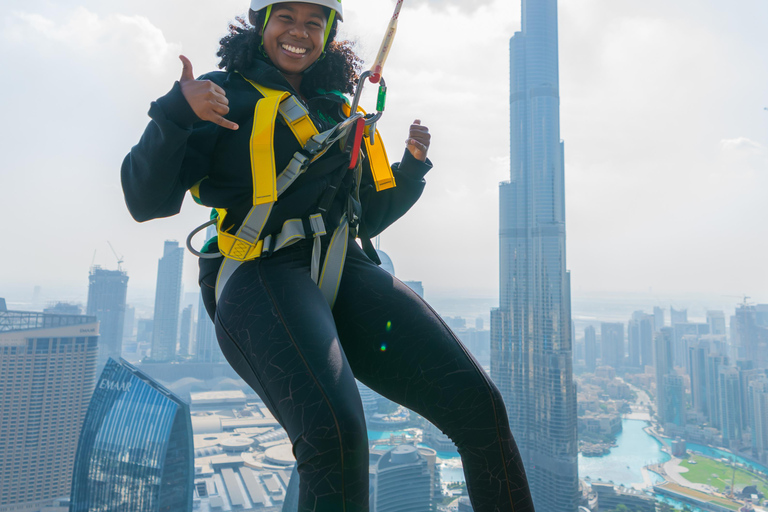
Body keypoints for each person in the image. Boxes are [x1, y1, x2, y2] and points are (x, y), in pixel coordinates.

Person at [121, 1, 535, 510]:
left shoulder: (340, 109)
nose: (299, 33)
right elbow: (145, 201)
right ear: (261, 25)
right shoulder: (220, 95)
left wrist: (411, 168)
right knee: (334, 435)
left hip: (341, 263)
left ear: (330, 34)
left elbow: (367, 216)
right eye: (286, 19)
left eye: (314, 23)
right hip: (258, 271)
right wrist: (176, 113)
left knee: (481, 406)